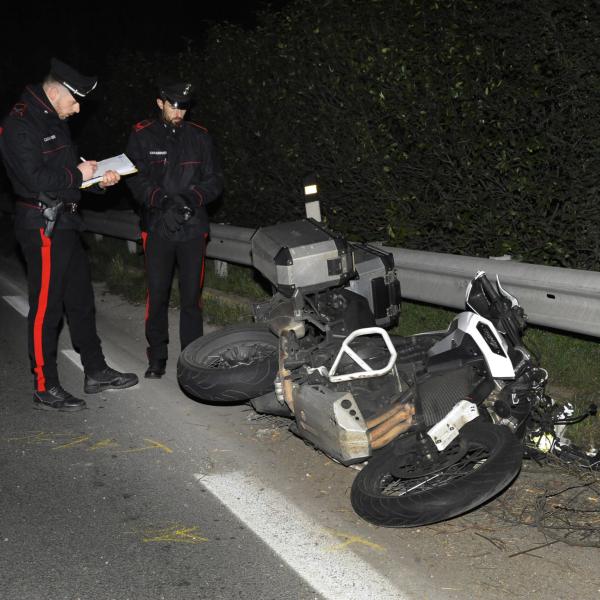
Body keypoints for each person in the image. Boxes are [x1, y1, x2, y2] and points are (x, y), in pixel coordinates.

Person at [0, 57, 139, 411]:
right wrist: (78, 175)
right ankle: (45, 385)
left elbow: (67, 175)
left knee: (81, 303)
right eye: (74, 101)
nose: (77, 110)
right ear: (56, 91)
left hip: (67, 223)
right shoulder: (20, 124)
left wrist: (98, 180)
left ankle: (95, 371)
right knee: (47, 308)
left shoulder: (52, 117)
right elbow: (36, 181)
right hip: (42, 226)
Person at [125, 80, 223, 378]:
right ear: (160, 103)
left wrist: (190, 200)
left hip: (193, 226)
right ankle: (157, 356)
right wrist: (163, 201)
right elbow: (134, 178)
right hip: (157, 226)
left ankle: (191, 360)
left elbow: (215, 180)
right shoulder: (142, 135)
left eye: (183, 106)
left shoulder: (200, 137)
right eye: (173, 105)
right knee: (158, 294)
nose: (178, 112)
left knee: (191, 296)